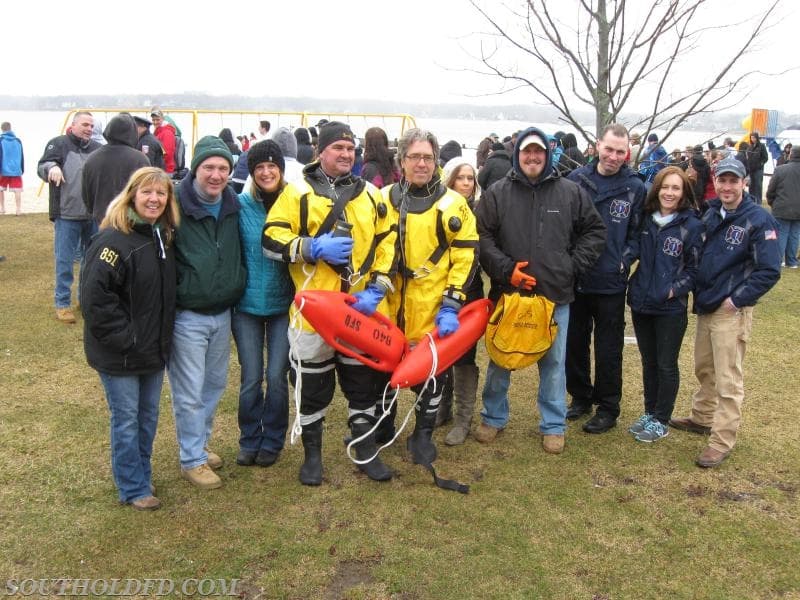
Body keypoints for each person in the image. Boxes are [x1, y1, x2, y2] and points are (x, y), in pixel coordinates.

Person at [263, 121, 395, 486]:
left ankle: (365, 450)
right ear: (321, 151)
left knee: (363, 382)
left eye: (351, 149)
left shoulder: (371, 194)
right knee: (311, 384)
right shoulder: (297, 192)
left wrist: (378, 289)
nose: (346, 154)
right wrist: (311, 247)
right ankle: (313, 457)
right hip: (313, 313)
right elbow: (271, 239)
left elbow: (388, 244)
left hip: (359, 309)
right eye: (338, 148)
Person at [474, 128, 606, 452]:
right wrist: (506, 270)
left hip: (554, 295)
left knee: (553, 364)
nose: (532, 157)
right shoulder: (496, 194)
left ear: (547, 155)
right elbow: (482, 237)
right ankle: (492, 417)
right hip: (509, 294)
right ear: (518, 154)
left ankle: (553, 424)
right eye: (526, 152)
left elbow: (595, 231)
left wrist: (570, 266)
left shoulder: (571, 192)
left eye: (539, 152)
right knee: (500, 359)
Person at [670, 157, 781, 467]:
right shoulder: (709, 212)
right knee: (705, 367)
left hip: (730, 310)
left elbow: (769, 270)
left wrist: (736, 300)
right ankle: (702, 418)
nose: (727, 187)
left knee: (728, 377)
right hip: (706, 303)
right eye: (723, 180)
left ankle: (721, 440)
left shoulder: (759, 220)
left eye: (734, 181)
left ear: (744, 182)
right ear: (715, 182)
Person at [380, 128, 480, 473]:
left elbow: (465, 258)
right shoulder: (383, 199)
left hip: (433, 306)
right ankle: (384, 425)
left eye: (427, 157)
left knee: (432, 377)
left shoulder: (453, 205)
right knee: (384, 370)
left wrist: (452, 305)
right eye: (414, 157)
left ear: (435, 161)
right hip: (389, 303)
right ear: (402, 160)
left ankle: (423, 434)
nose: (421, 163)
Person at [80, 167, 179, 511]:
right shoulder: (111, 241)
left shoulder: (161, 238)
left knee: (147, 417)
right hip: (122, 352)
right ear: (132, 195)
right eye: (147, 192)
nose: (154, 199)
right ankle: (133, 486)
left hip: (152, 350)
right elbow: (95, 299)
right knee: (126, 419)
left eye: (161, 193)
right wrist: (127, 338)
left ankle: (141, 474)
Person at [169, 136, 246, 490]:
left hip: (223, 311)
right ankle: (192, 459)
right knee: (189, 390)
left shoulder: (233, 203)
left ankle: (199, 443)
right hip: (189, 314)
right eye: (209, 168)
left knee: (214, 384)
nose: (216, 175)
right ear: (196, 168)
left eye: (223, 168)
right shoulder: (174, 205)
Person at [565, 123, 646, 433]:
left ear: (627, 153)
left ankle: (608, 406)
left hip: (611, 279)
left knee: (609, 347)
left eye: (620, 152)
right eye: (609, 149)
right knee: (575, 341)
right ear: (597, 145)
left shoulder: (634, 187)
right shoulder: (576, 180)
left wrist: (624, 261)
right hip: (578, 276)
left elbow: (638, 233)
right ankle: (580, 397)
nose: (613, 156)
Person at [626, 166, 703, 442]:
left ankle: (662, 418)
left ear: (683, 193)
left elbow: (695, 270)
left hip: (669, 308)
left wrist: (672, 291)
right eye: (665, 187)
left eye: (675, 188)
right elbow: (633, 249)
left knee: (666, 364)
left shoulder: (691, 225)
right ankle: (649, 411)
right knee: (649, 362)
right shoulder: (646, 220)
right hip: (641, 303)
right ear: (656, 189)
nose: (669, 193)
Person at [232, 141, 294, 467]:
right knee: (252, 377)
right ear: (252, 173)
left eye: (272, 166)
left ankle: (272, 439)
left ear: (281, 170)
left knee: (277, 375)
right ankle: (249, 438)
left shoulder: (294, 203)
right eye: (259, 168)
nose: (267, 172)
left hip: (284, 305)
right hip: (247, 307)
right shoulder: (240, 206)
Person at [435, 157, 485, 445]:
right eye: (460, 178)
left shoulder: (481, 210)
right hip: (439, 290)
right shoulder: (439, 207)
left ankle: (463, 417)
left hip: (470, 291)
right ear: (450, 180)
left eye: (470, 178)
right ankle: (442, 407)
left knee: (464, 355)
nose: (466, 183)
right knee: (443, 350)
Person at [37, 111, 101, 324]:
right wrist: (52, 168)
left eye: (92, 126)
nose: (89, 129)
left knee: (90, 261)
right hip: (66, 215)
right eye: (85, 124)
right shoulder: (58, 144)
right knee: (64, 261)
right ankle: (62, 303)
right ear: (73, 125)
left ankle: (84, 299)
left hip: (92, 215)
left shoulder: (97, 149)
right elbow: (42, 166)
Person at [82, 114, 150, 225]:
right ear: (133, 133)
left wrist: (94, 211)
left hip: (101, 219)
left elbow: (86, 194)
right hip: (131, 219)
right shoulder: (140, 159)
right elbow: (147, 191)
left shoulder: (92, 158)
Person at [766, 146, 800, 268]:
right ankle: (791, 261)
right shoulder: (781, 169)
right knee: (795, 234)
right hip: (797, 209)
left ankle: (778, 260)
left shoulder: (780, 170)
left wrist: (772, 202)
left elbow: (771, 189)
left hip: (781, 206)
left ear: (791, 155)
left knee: (781, 233)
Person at [0, 122, 24, 215]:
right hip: (16, 169)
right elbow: (22, 156)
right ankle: (18, 209)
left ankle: (2, 208)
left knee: (0, 189)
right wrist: (22, 168)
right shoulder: (18, 141)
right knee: (17, 190)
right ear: (10, 128)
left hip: (3, 169)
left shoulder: (1, 140)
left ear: (2, 129)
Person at [150, 107, 177, 175]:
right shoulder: (158, 132)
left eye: (158, 120)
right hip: (159, 169)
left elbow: (167, 154)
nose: (155, 122)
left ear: (162, 119)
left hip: (165, 170)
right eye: (153, 120)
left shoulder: (167, 133)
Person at [745, 132, 769, 203]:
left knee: (758, 186)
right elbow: (747, 157)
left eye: (754, 138)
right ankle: (751, 201)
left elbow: (765, 158)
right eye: (752, 138)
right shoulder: (750, 146)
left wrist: (760, 164)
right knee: (751, 186)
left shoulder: (761, 146)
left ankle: (758, 202)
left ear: (757, 138)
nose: (753, 139)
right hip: (751, 169)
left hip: (758, 169)